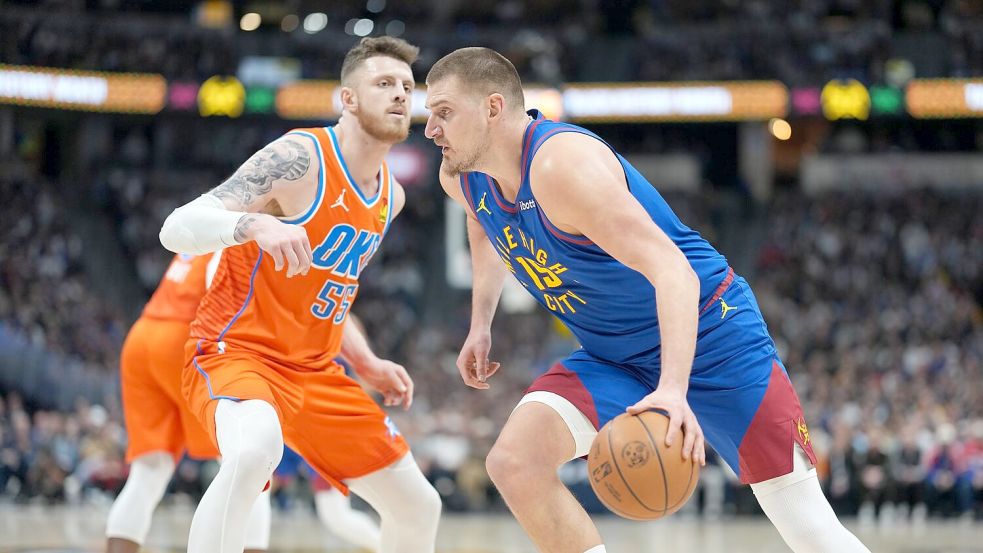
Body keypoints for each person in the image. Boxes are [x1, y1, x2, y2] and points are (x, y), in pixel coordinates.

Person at [423, 47, 871, 553]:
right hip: (615, 356)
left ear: (492, 107)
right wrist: (480, 322)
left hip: (712, 336)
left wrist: (673, 391)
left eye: (443, 113)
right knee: (514, 463)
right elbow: (481, 223)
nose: (430, 129)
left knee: (809, 527)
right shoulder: (460, 175)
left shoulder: (562, 167)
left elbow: (675, 274)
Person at [158, 36, 441, 553]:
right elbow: (175, 227)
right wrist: (251, 226)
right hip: (241, 354)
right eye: (384, 83)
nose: (401, 94)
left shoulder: (391, 196)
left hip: (317, 370)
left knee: (418, 505)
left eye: (406, 86)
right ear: (348, 99)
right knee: (252, 452)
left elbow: (335, 292)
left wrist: (368, 360)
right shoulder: (300, 156)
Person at [106, 253, 272, 553]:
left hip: (143, 336)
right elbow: (217, 285)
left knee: (148, 472)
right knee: (251, 463)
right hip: (183, 338)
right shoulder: (244, 225)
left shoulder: (212, 217)